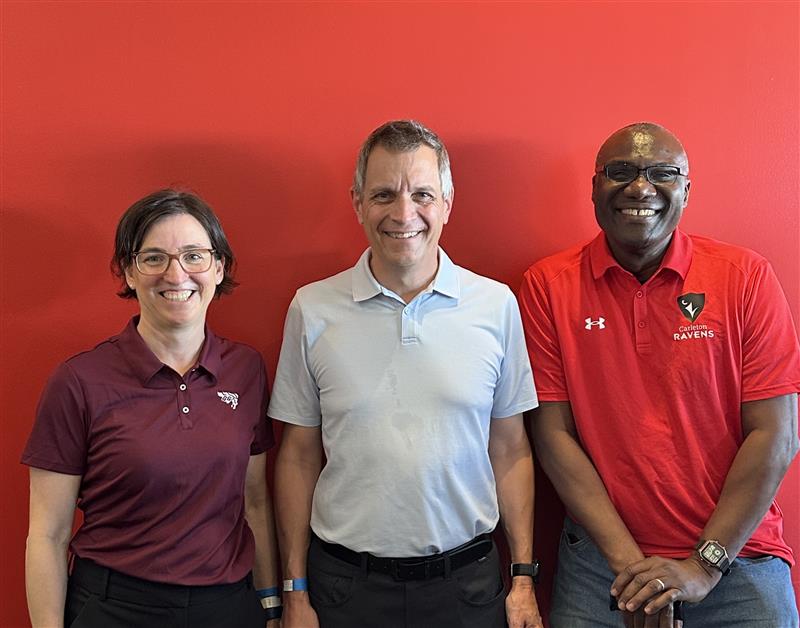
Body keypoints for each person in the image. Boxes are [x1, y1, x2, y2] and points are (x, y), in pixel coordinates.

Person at [519, 122, 800, 627]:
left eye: (662, 173)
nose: (640, 187)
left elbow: (777, 434)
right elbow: (552, 435)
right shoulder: (548, 286)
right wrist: (634, 574)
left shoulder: (746, 277)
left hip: (737, 559)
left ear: (687, 191)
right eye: (620, 172)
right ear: (595, 188)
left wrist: (701, 566)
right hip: (600, 565)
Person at [269, 120, 543, 628]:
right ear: (356, 202)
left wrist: (523, 577)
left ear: (447, 204)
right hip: (344, 588)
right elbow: (299, 456)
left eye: (422, 194)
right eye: (383, 194)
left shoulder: (495, 305)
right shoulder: (312, 308)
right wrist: (295, 591)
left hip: (468, 584)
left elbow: (511, 449)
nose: (403, 214)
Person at [23, 189, 281, 627]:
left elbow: (254, 501)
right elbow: (47, 536)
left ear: (219, 268)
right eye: (154, 258)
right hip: (115, 607)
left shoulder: (246, 370)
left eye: (194, 256)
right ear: (129, 271)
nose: (176, 274)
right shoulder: (79, 381)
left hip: (226, 608)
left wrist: (271, 603)